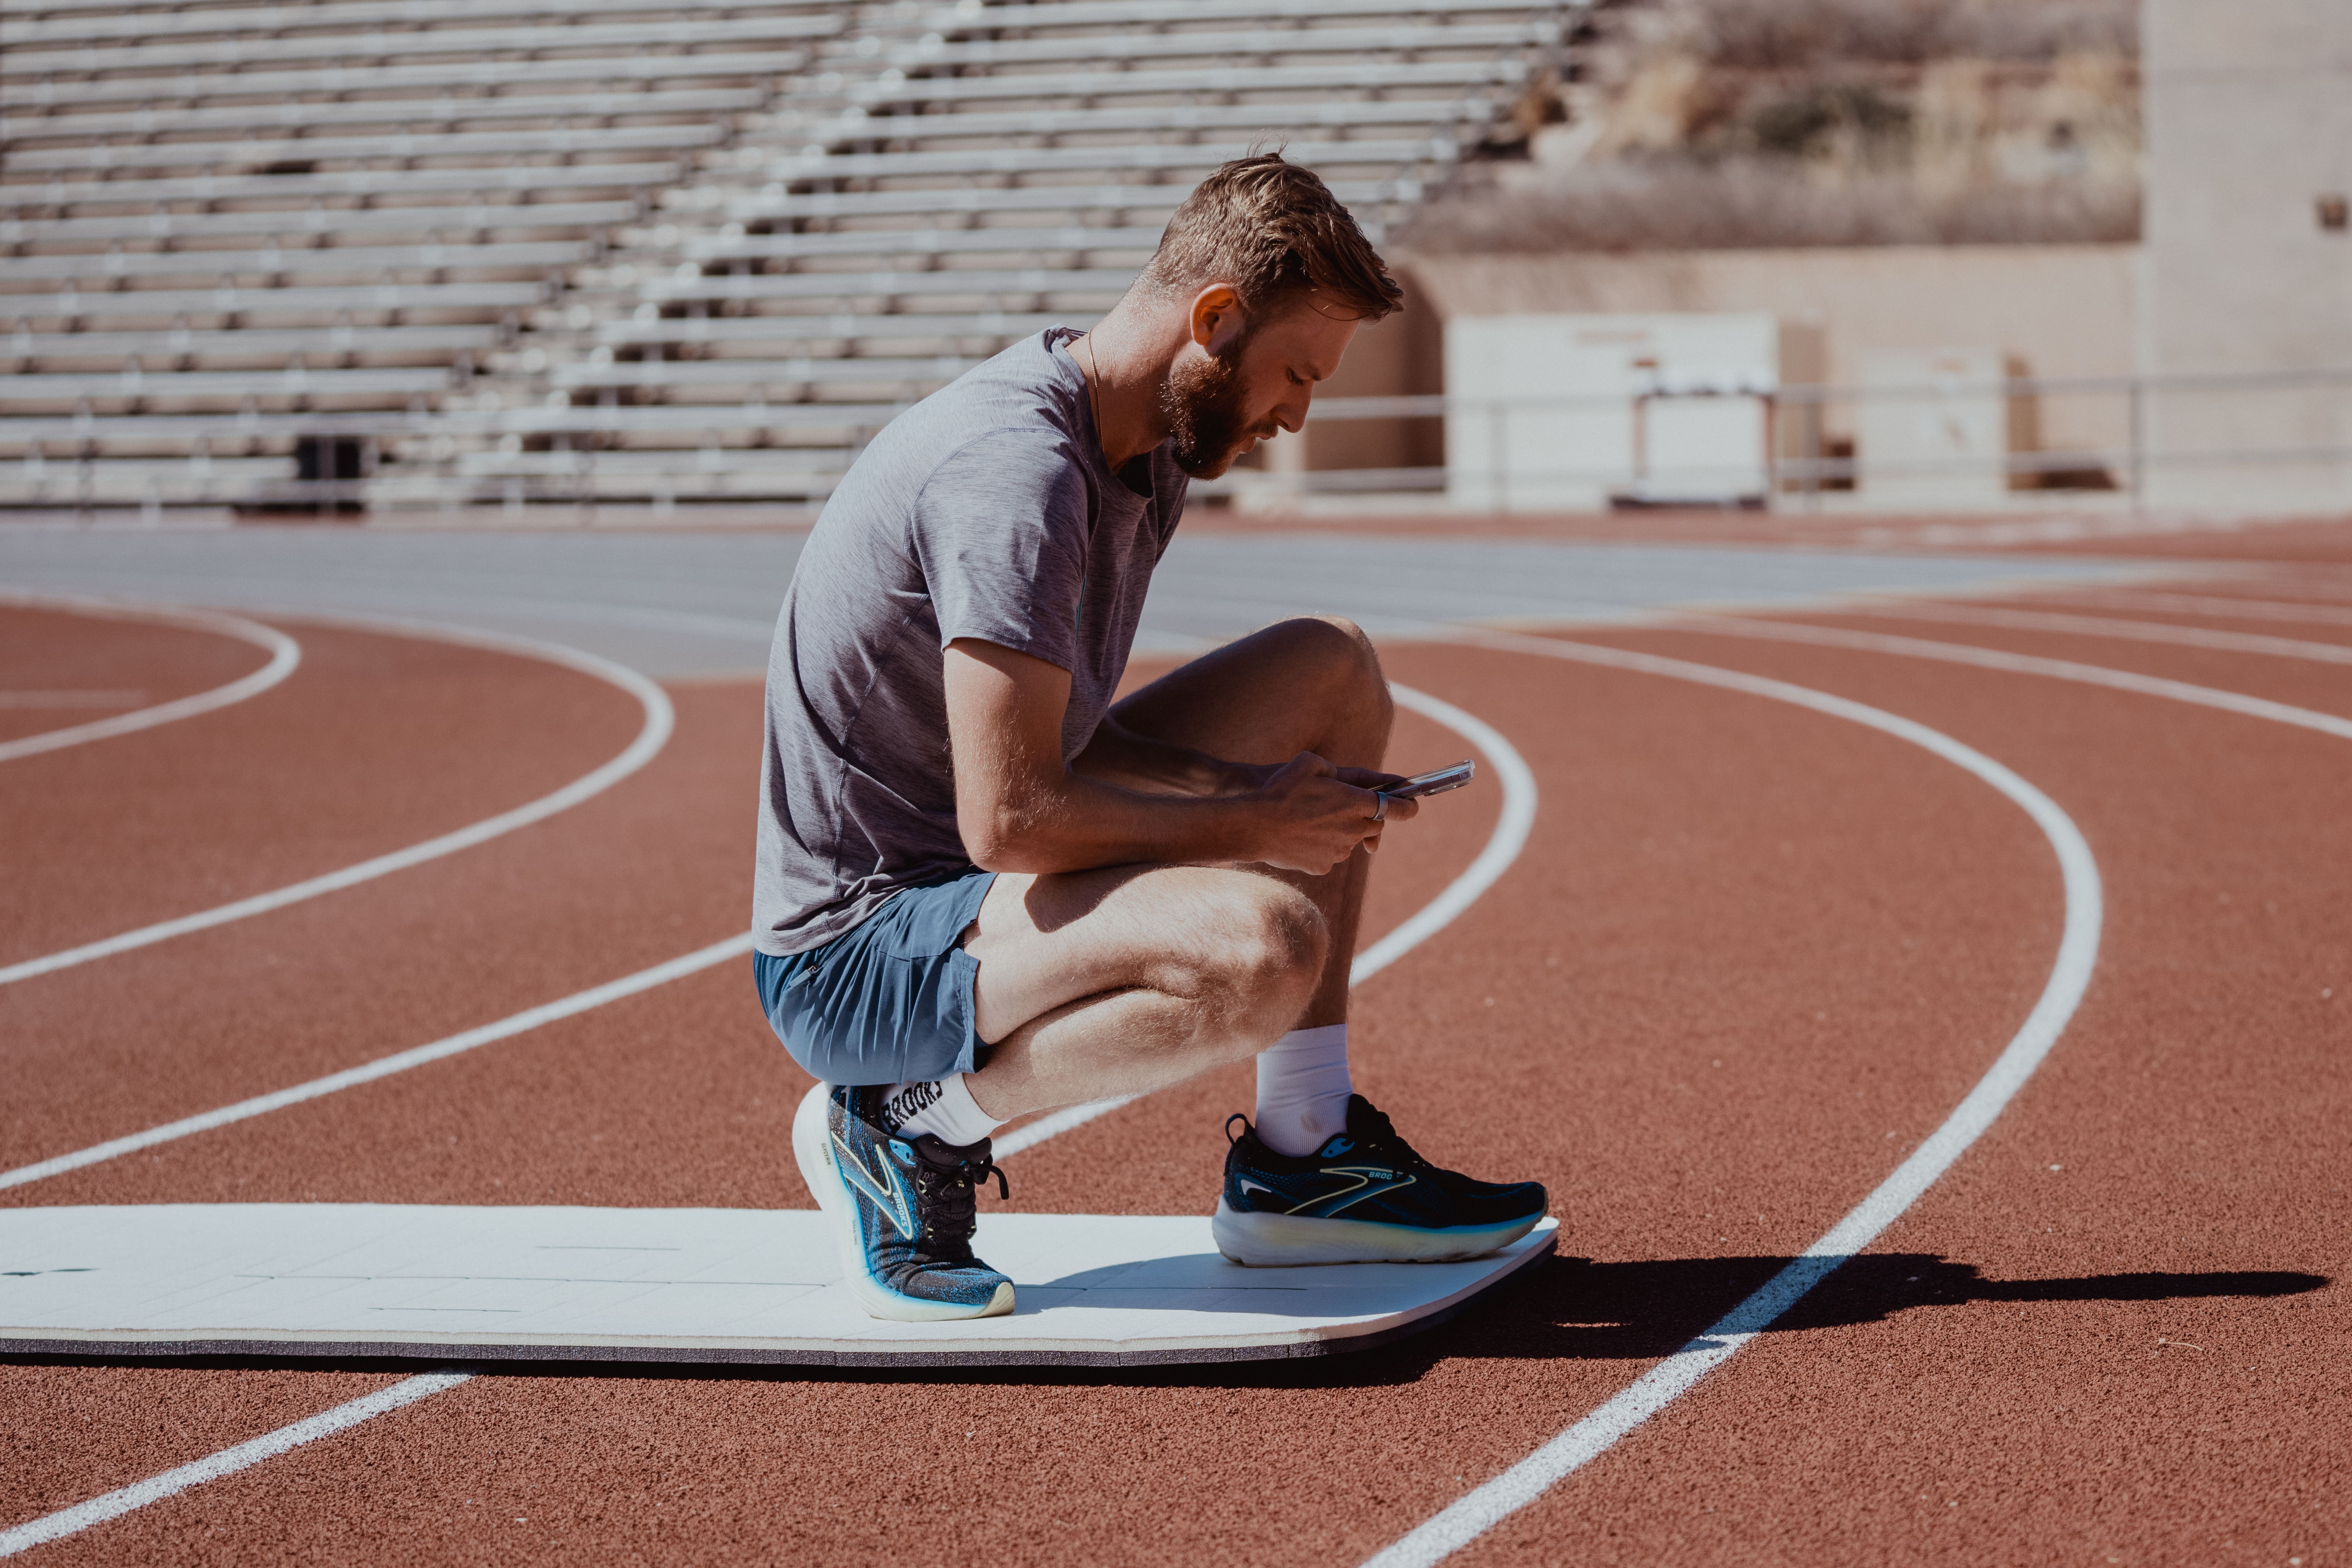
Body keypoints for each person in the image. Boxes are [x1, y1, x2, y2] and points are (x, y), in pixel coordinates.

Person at [753, 154, 1547, 1324]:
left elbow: (1065, 750)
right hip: (857, 951)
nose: (1297, 413)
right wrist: (1253, 817)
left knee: (1329, 669)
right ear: (1212, 321)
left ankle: (1302, 1152)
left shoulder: (1144, 444)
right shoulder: (1016, 472)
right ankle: (903, 1123)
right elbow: (1009, 818)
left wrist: (1258, 785)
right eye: (1295, 373)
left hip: (971, 884)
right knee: (1262, 948)